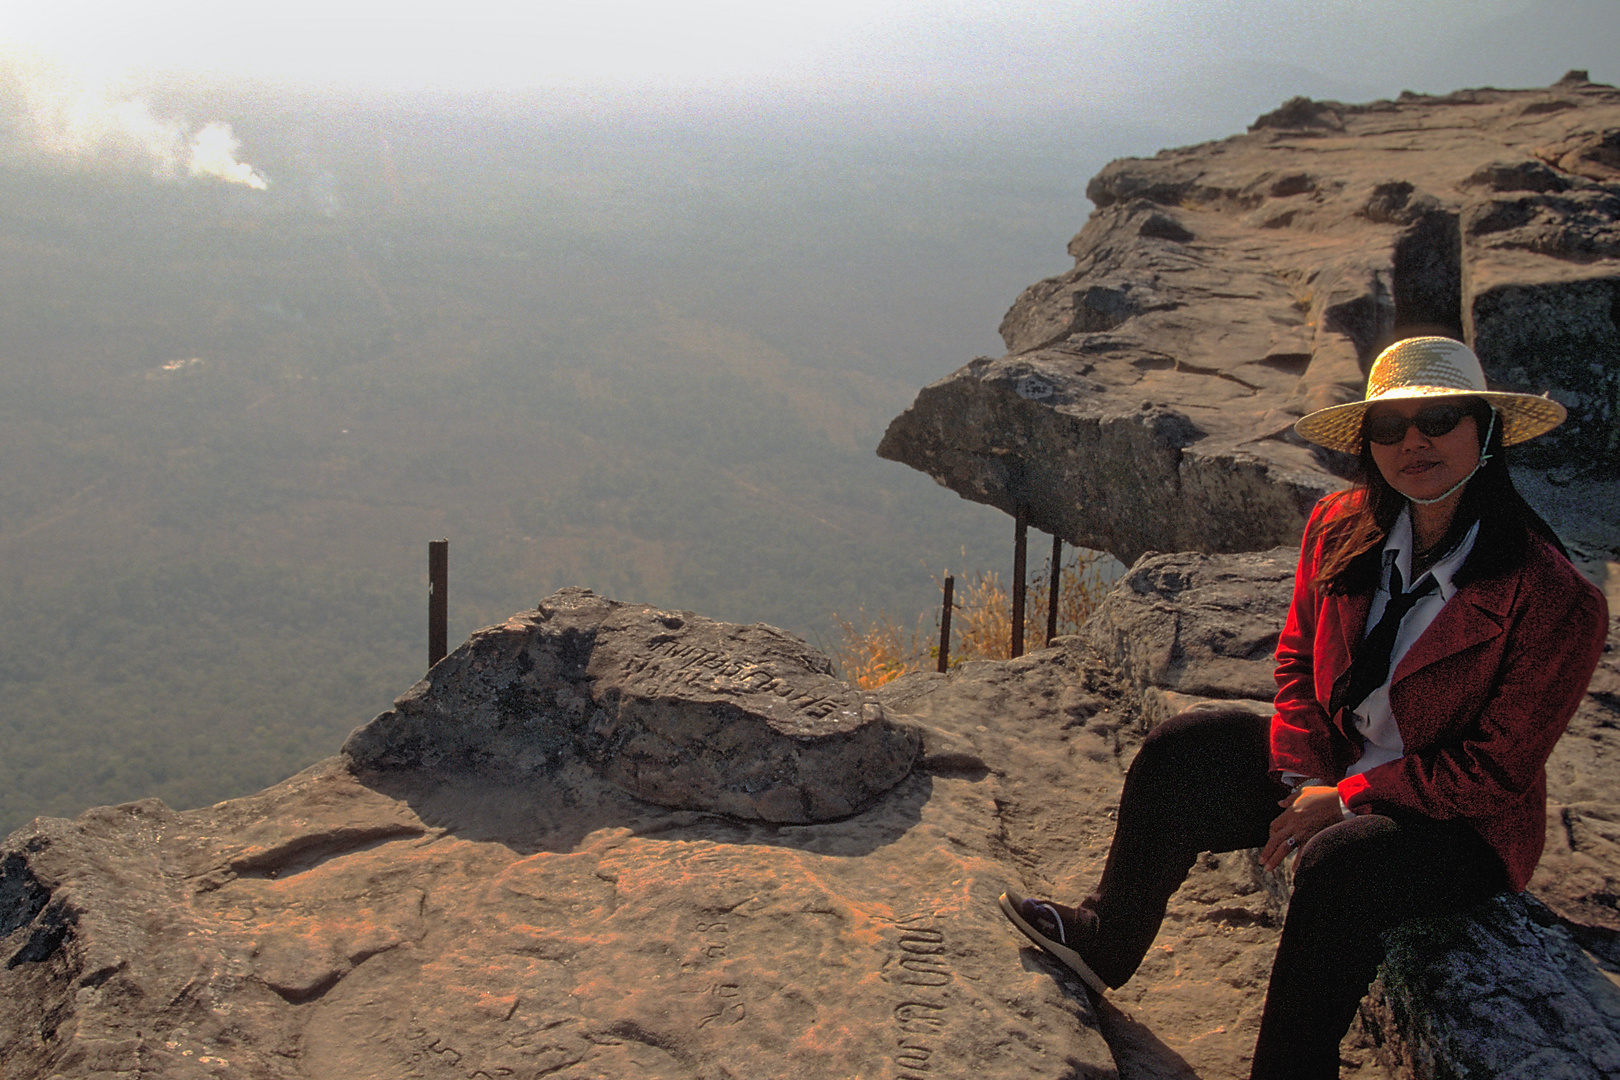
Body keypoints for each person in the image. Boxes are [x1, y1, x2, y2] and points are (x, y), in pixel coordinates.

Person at [998, 335, 1609, 1080]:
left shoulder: (1551, 597)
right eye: (1389, 426)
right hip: (1338, 769)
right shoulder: (1340, 526)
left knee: (1340, 863)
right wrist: (1303, 778)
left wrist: (1347, 800)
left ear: (1485, 432)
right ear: (1368, 444)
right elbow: (1295, 663)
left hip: (1456, 827)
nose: (1414, 441)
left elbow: (1496, 769)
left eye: (1440, 418)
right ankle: (1104, 941)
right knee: (1184, 749)